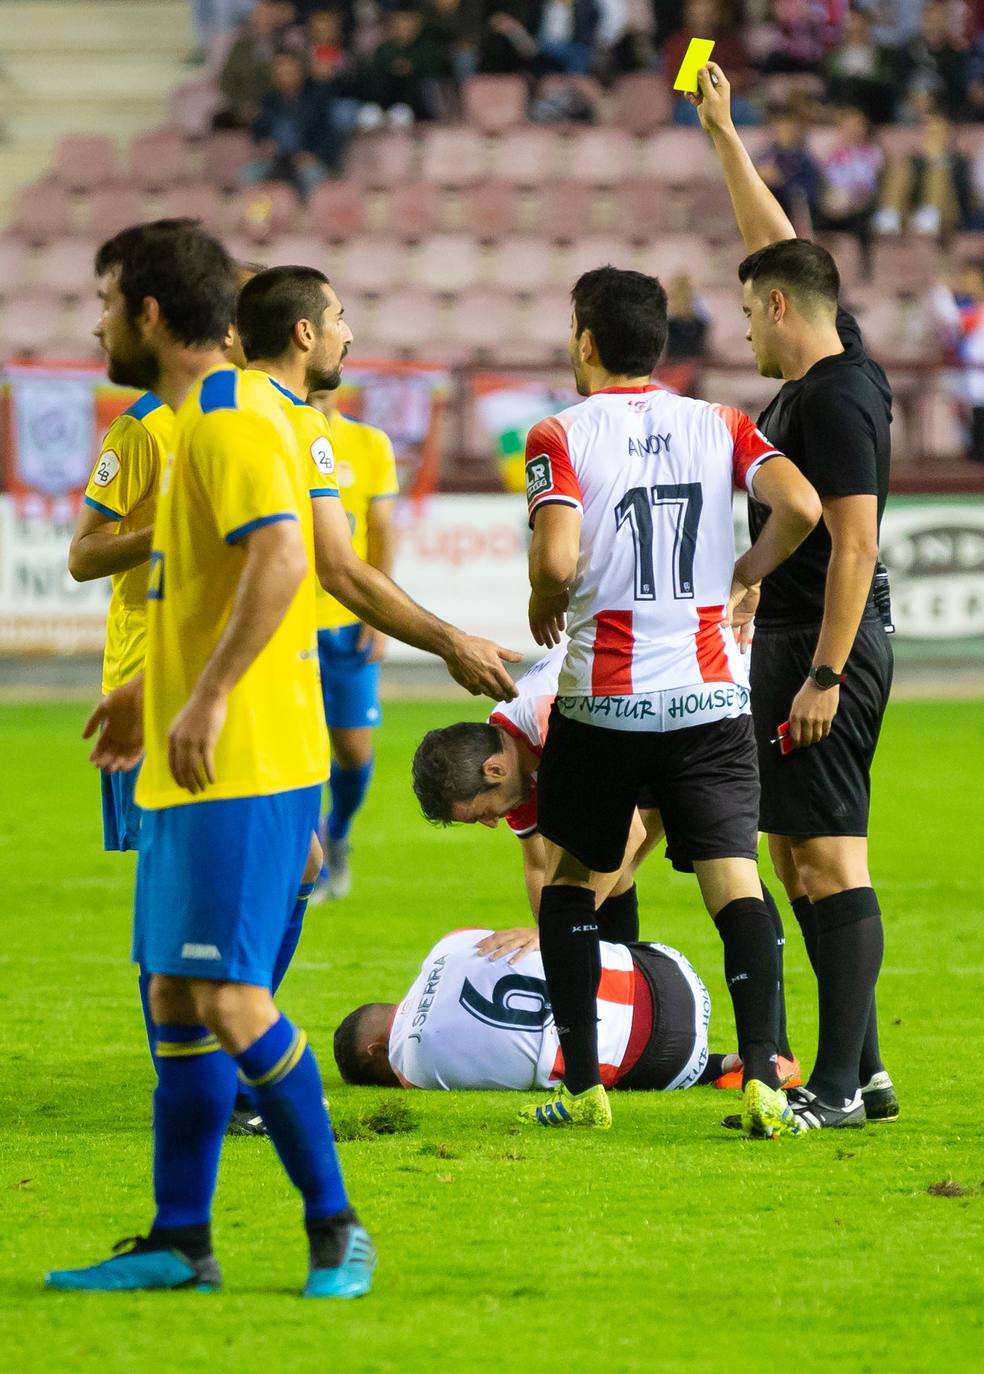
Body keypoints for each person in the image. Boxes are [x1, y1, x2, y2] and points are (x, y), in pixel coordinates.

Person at [46, 219, 375, 1297]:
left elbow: (286, 565)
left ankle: (338, 1228)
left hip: (238, 758)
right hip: (200, 751)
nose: (98, 325)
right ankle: (180, 1241)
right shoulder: (200, 421)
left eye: (105, 305)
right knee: (173, 997)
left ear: (147, 313)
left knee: (232, 998)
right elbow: (219, 580)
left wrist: (210, 694)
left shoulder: (226, 418)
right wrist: (154, 690)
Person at [513, 264, 822, 1136]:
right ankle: (765, 1080)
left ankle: (583, 1090)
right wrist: (746, 574)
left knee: (574, 882)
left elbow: (555, 560)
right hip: (706, 699)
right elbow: (799, 503)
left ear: (585, 339)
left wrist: (544, 592)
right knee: (734, 883)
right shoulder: (719, 421)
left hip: (603, 703)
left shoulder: (557, 433)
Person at [689, 61, 898, 1130]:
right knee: (795, 853)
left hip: (829, 644)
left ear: (778, 312)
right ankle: (861, 1070)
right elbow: (782, 252)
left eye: (749, 313)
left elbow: (856, 539)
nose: (745, 330)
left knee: (825, 855)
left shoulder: (838, 399)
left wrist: (822, 667)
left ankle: (834, 1085)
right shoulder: (823, 364)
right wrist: (726, 134)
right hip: (796, 638)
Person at [410, 646, 803, 1089]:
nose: (488, 823)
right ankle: (618, 1027)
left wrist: (559, 930)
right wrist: (553, 947)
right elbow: (541, 864)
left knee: (725, 869)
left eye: (481, 812)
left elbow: (627, 835)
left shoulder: (551, 725)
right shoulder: (508, 751)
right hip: (657, 712)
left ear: (494, 770)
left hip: (709, 702)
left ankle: (776, 1056)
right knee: (607, 877)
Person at [333, 927, 731, 1095]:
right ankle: (758, 1057)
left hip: (673, 1061)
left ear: (375, 1050)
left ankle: (723, 1064)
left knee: (576, 1060)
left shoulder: (411, 1070)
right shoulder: (445, 945)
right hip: (672, 971)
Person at [306, 385, 399, 902]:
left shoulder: (368, 443)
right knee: (296, 751)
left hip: (345, 621)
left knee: (352, 749)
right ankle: (310, 860)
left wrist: (379, 615)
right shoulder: (275, 433)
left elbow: (382, 532)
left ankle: (336, 830)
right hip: (286, 622)